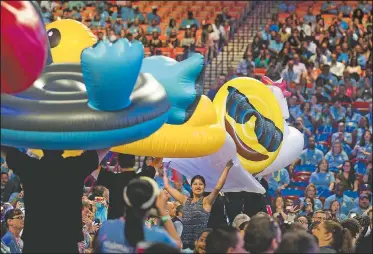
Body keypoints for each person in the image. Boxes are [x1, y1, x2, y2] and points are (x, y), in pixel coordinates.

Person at [1, 146, 109, 253]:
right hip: (66, 242)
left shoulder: (30, 167)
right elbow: (103, 147)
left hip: (35, 241)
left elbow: (7, 150)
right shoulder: (75, 167)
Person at [94, 177, 181, 252]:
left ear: (126, 199)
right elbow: (177, 247)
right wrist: (163, 212)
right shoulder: (158, 237)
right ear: (153, 203)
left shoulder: (106, 228)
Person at [164, 160, 234, 250]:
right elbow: (167, 186)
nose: (198, 186)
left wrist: (227, 168)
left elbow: (217, 187)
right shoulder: (185, 200)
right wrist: (165, 169)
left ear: (204, 187)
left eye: (201, 184)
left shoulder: (206, 201)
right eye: (195, 184)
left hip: (199, 245)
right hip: (184, 245)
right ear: (191, 186)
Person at [95, 154, 138, 220]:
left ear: (118, 162)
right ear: (134, 162)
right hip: (134, 222)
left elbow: (93, 167)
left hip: (114, 221)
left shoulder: (113, 179)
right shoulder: (141, 180)